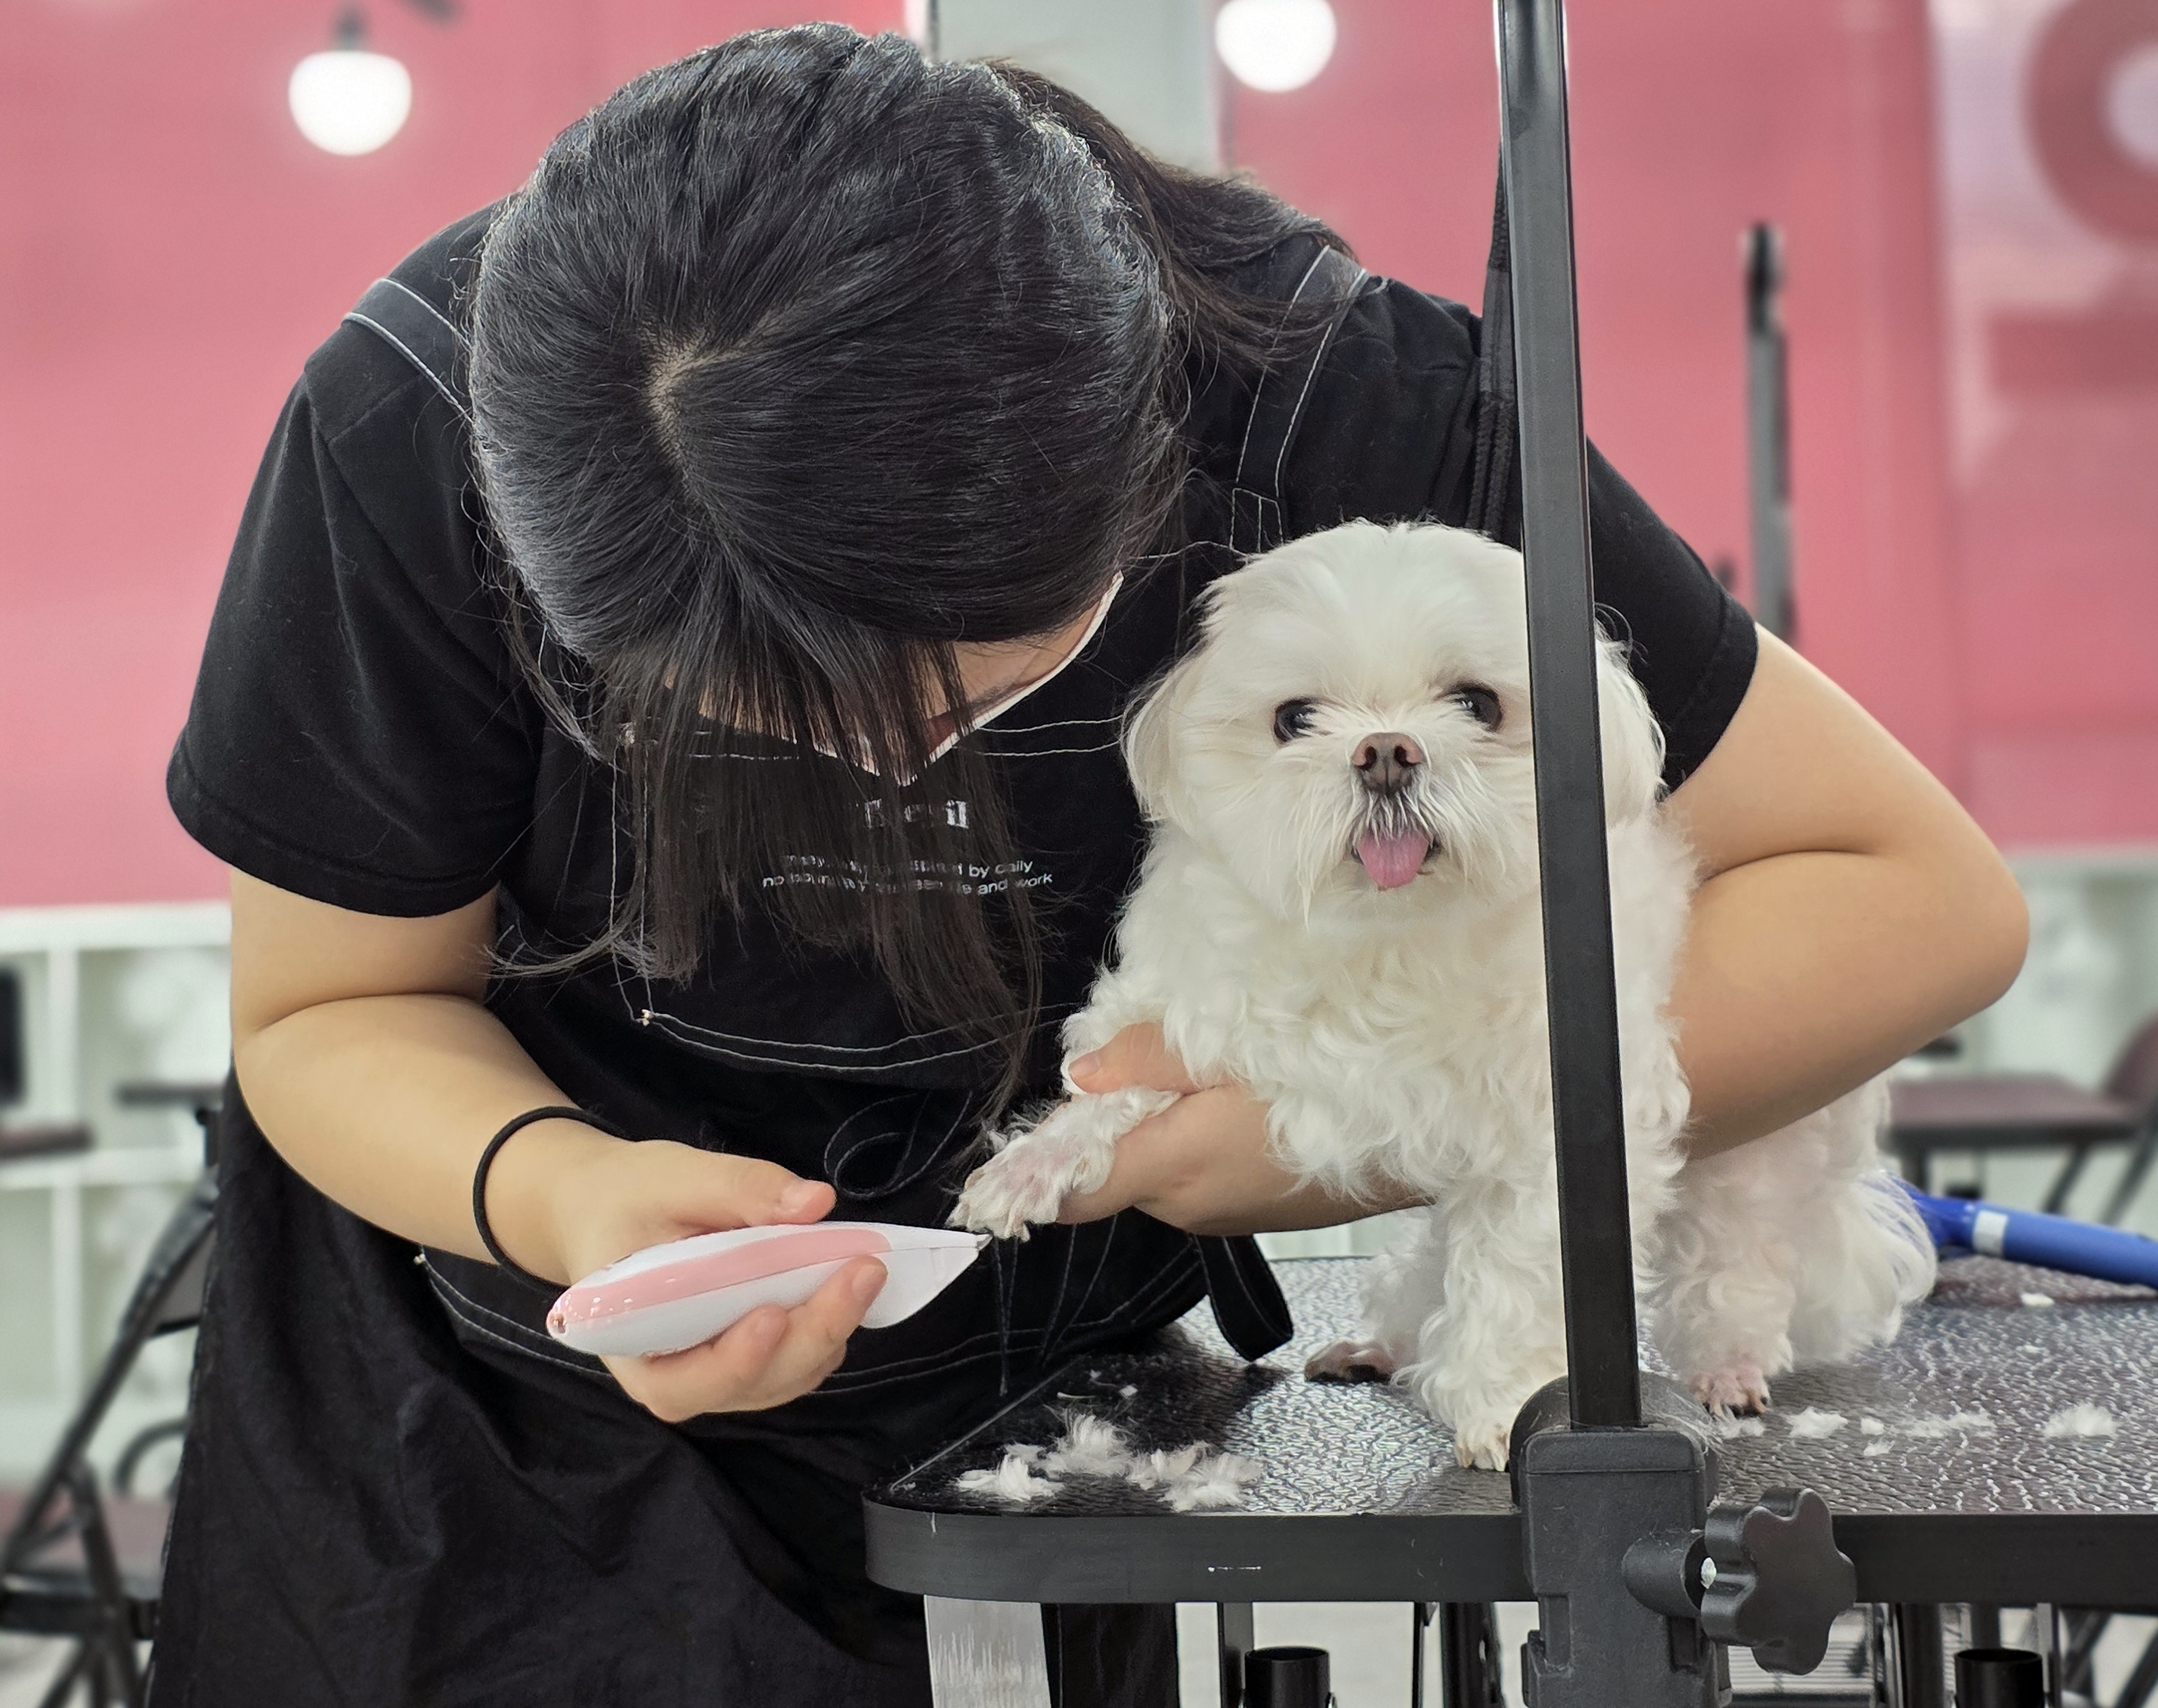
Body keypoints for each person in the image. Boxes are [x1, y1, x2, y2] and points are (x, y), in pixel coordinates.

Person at [154, 22, 2028, 1708]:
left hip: (1038, 1442)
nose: (885, 767)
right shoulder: (405, 437)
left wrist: (1338, 1134)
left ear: (1136, 474)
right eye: (762, 708)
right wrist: (563, 1196)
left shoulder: (1337, 413)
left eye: (971, 679)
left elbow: (1910, 897)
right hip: (455, 1441)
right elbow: (334, 1004)